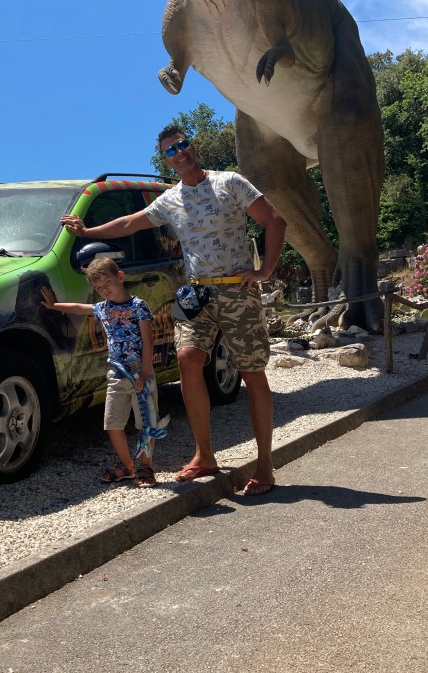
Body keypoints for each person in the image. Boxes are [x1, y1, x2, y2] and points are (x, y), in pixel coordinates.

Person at [60, 125, 287, 497]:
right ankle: (205, 456)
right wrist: (87, 232)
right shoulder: (171, 199)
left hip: (237, 290)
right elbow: (129, 223)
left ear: (191, 147)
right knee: (187, 360)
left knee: (252, 373)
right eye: (170, 150)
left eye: (182, 145)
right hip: (195, 293)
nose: (179, 152)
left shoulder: (230, 182)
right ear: (165, 160)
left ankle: (265, 466)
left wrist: (264, 271)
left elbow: (275, 220)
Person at [40, 256, 161, 488]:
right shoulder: (103, 308)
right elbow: (80, 308)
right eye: (98, 288)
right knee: (112, 423)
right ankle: (127, 466)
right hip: (116, 374)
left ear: (120, 277)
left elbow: (148, 341)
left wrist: (145, 373)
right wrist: (55, 306)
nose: (104, 290)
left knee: (145, 423)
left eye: (107, 283)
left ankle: (145, 468)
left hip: (139, 371)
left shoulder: (138, 307)